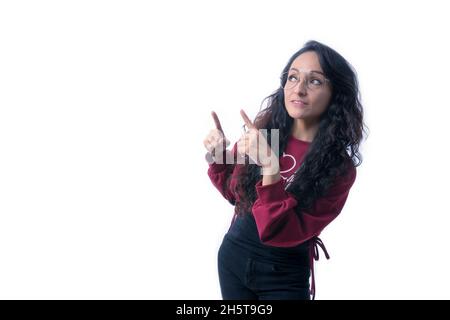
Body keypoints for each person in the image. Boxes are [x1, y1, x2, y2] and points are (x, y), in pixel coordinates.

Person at [203, 40, 366, 300]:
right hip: (234, 255)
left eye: (314, 81)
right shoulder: (267, 134)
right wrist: (218, 155)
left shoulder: (339, 169)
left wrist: (270, 166)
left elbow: (281, 231)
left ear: (336, 93)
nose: (298, 89)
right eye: (292, 77)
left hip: (284, 273)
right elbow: (237, 195)